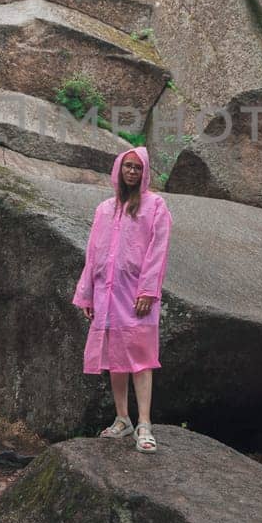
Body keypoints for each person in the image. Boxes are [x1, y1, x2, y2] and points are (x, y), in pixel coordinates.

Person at [72, 146, 172, 453]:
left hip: (136, 293)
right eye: (127, 166)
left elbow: (158, 250)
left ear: (144, 172)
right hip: (106, 292)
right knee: (115, 358)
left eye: (137, 168)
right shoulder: (104, 208)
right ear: (119, 169)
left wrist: (148, 290)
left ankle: (144, 424)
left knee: (141, 358)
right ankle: (122, 418)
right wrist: (87, 292)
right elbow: (93, 252)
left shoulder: (156, 205)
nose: (132, 171)